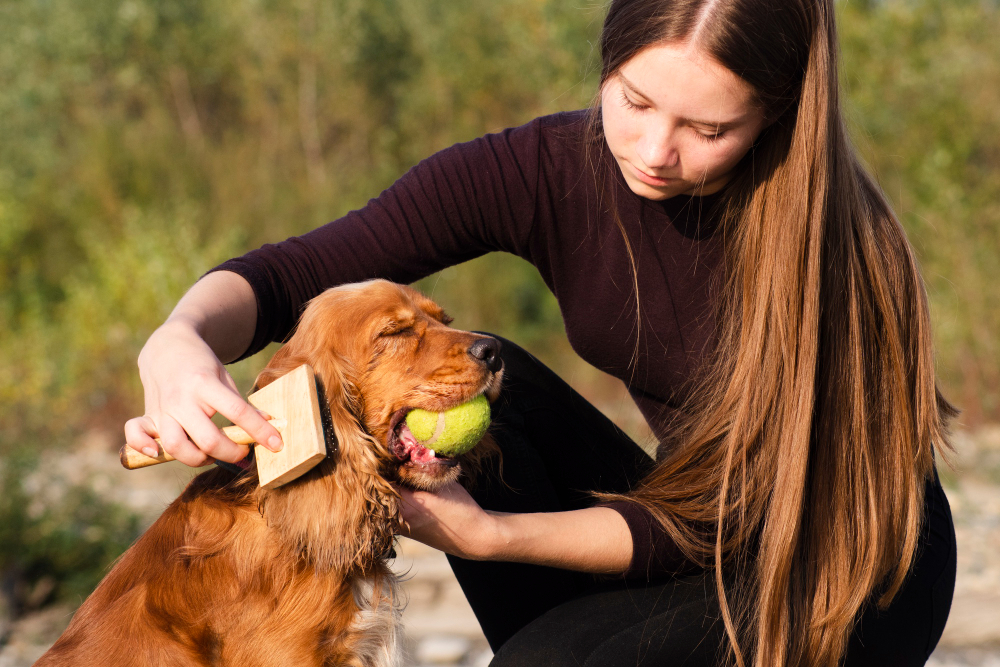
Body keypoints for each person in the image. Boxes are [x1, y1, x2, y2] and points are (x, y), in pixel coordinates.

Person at [124, 0, 957, 665]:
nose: (654, 150)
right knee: (485, 368)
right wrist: (180, 338)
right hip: (692, 514)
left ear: (779, 117)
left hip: (845, 559)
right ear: (608, 61)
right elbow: (292, 275)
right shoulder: (552, 168)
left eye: (709, 131)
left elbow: (727, 519)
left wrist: (491, 537)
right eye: (633, 101)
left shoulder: (835, 251)